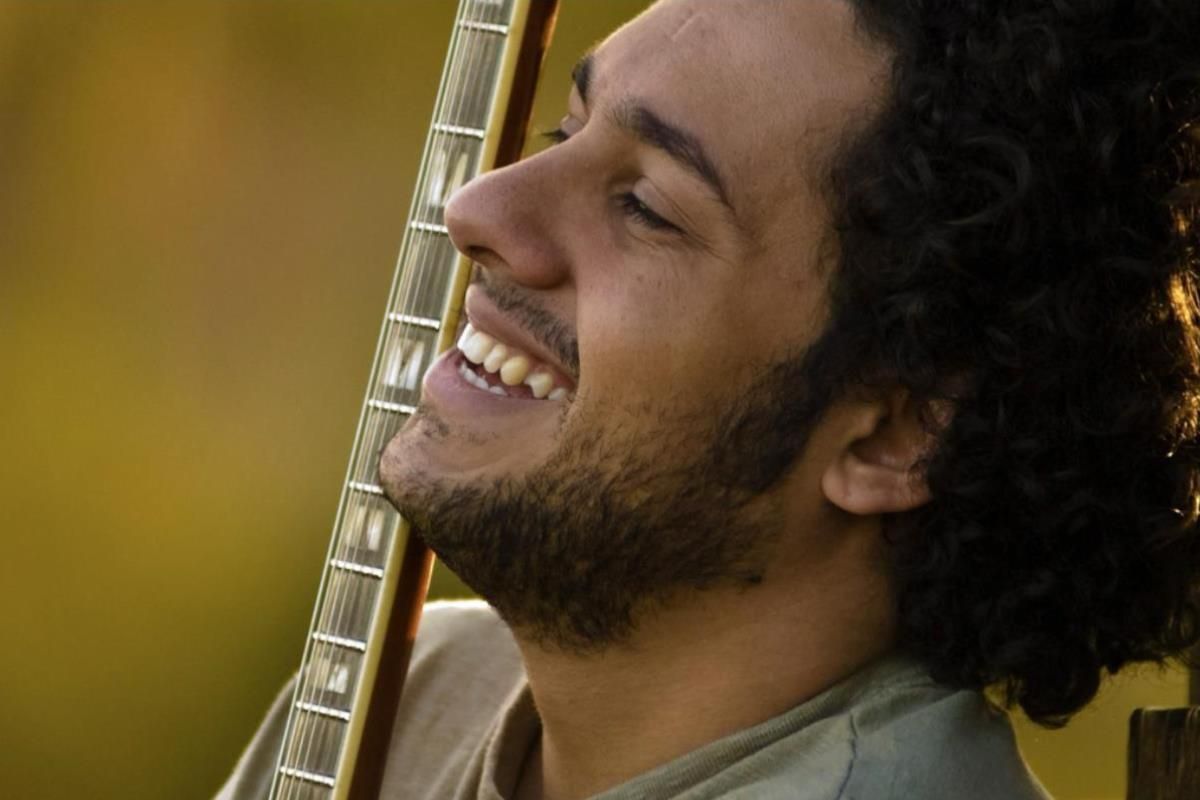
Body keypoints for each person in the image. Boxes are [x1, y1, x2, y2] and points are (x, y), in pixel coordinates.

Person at [218, 0, 1200, 797]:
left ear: (896, 434)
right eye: (566, 129)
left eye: (646, 207)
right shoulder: (420, 687)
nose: (479, 208)